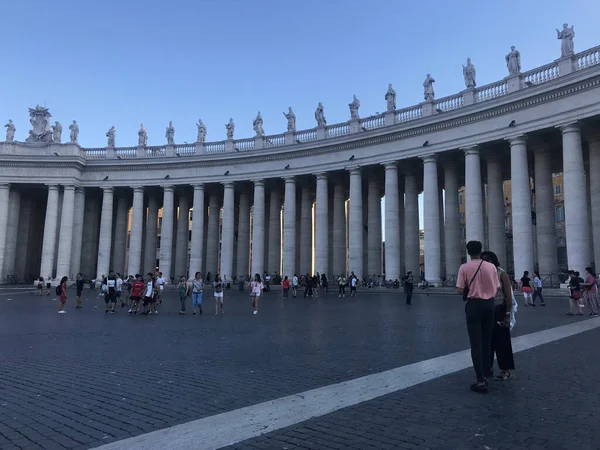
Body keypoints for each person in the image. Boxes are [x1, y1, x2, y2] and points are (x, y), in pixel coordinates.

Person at [456, 241, 500, 393]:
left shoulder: (464, 267)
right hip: (489, 305)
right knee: (486, 341)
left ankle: (480, 380)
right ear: (481, 251)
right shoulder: (491, 267)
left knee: (475, 343)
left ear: (468, 252)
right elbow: (497, 287)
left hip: (474, 305)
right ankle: (488, 370)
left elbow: (459, 290)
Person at [481, 251, 515, 381]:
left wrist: (507, 314)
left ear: (494, 261)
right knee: (486, 341)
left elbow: (508, 296)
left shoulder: (501, 273)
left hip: (499, 310)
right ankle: (487, 368)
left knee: (502, 341)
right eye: (483, 260)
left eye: (487, 260)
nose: (485, 262)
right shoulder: (481, 273)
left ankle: (505, 370)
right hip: (485, 310)